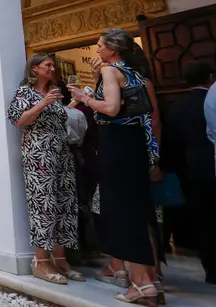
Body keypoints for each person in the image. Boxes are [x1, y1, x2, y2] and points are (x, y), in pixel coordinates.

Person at [69, 29, 163, 304]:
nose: (97, 49)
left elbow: (110, 108)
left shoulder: (112, 70)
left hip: (117, 146)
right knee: (138, 212)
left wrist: (84, 98)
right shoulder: (135, 73)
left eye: (99, 45)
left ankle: (142, 285)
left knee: (122, 214)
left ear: (112, 48)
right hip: (134, 145)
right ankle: (149, 280)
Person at [8, 53, 80, 284]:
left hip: (61, 150)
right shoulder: (25, 93)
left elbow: (60, 118)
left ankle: (60, 257)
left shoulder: (56, 93)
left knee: (65, 201)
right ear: (35, 69)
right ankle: (41, 261)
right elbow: (19, 120)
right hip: (39, 152)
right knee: (44, 203)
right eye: (47, 65)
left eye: (52, 65)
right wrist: (43, 103)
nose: (52, 68)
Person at [162, 62, 215, 284]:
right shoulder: (210, 99)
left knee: (204, 221)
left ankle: (212, 269)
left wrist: (167, 168)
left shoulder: (177, 106)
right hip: (210, 162)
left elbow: (170, 144)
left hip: (192, 169)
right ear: (210, 77)